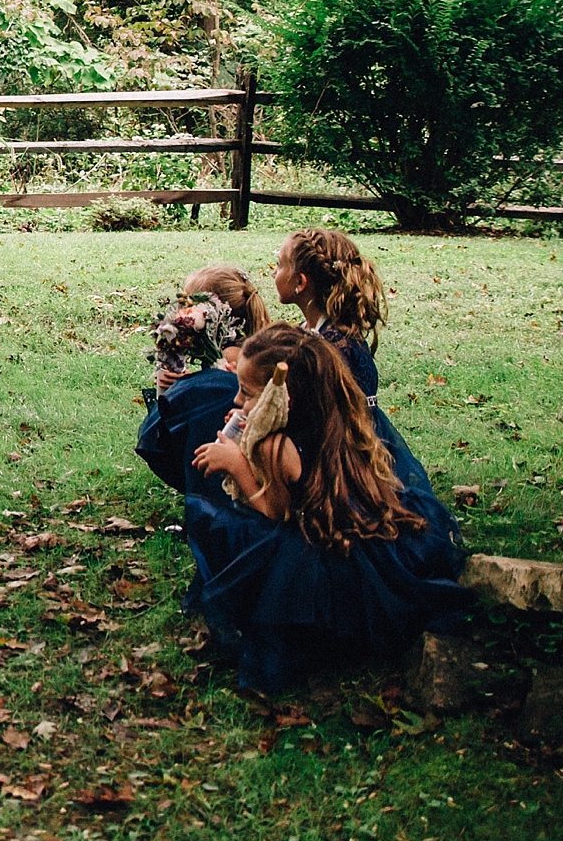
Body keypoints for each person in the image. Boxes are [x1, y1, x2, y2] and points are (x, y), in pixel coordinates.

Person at [183, 324, 471, 695]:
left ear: (279, 399)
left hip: (328, 550)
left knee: (250, 540)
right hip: (351, 530)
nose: (237, 402)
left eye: (248, 393)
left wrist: (238, 464)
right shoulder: (327, 421)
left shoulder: (277, 446)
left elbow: (273, 512)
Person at [134, 264, 270, 493]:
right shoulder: (229, 347)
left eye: (189, 304)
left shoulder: (234, 354)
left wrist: (191, 386)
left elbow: (225, 392)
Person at [275, 228, 387, 398]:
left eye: (280, 264)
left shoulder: (333, 348)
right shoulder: (310, 330)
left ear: (300, 281)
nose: (274, 272)